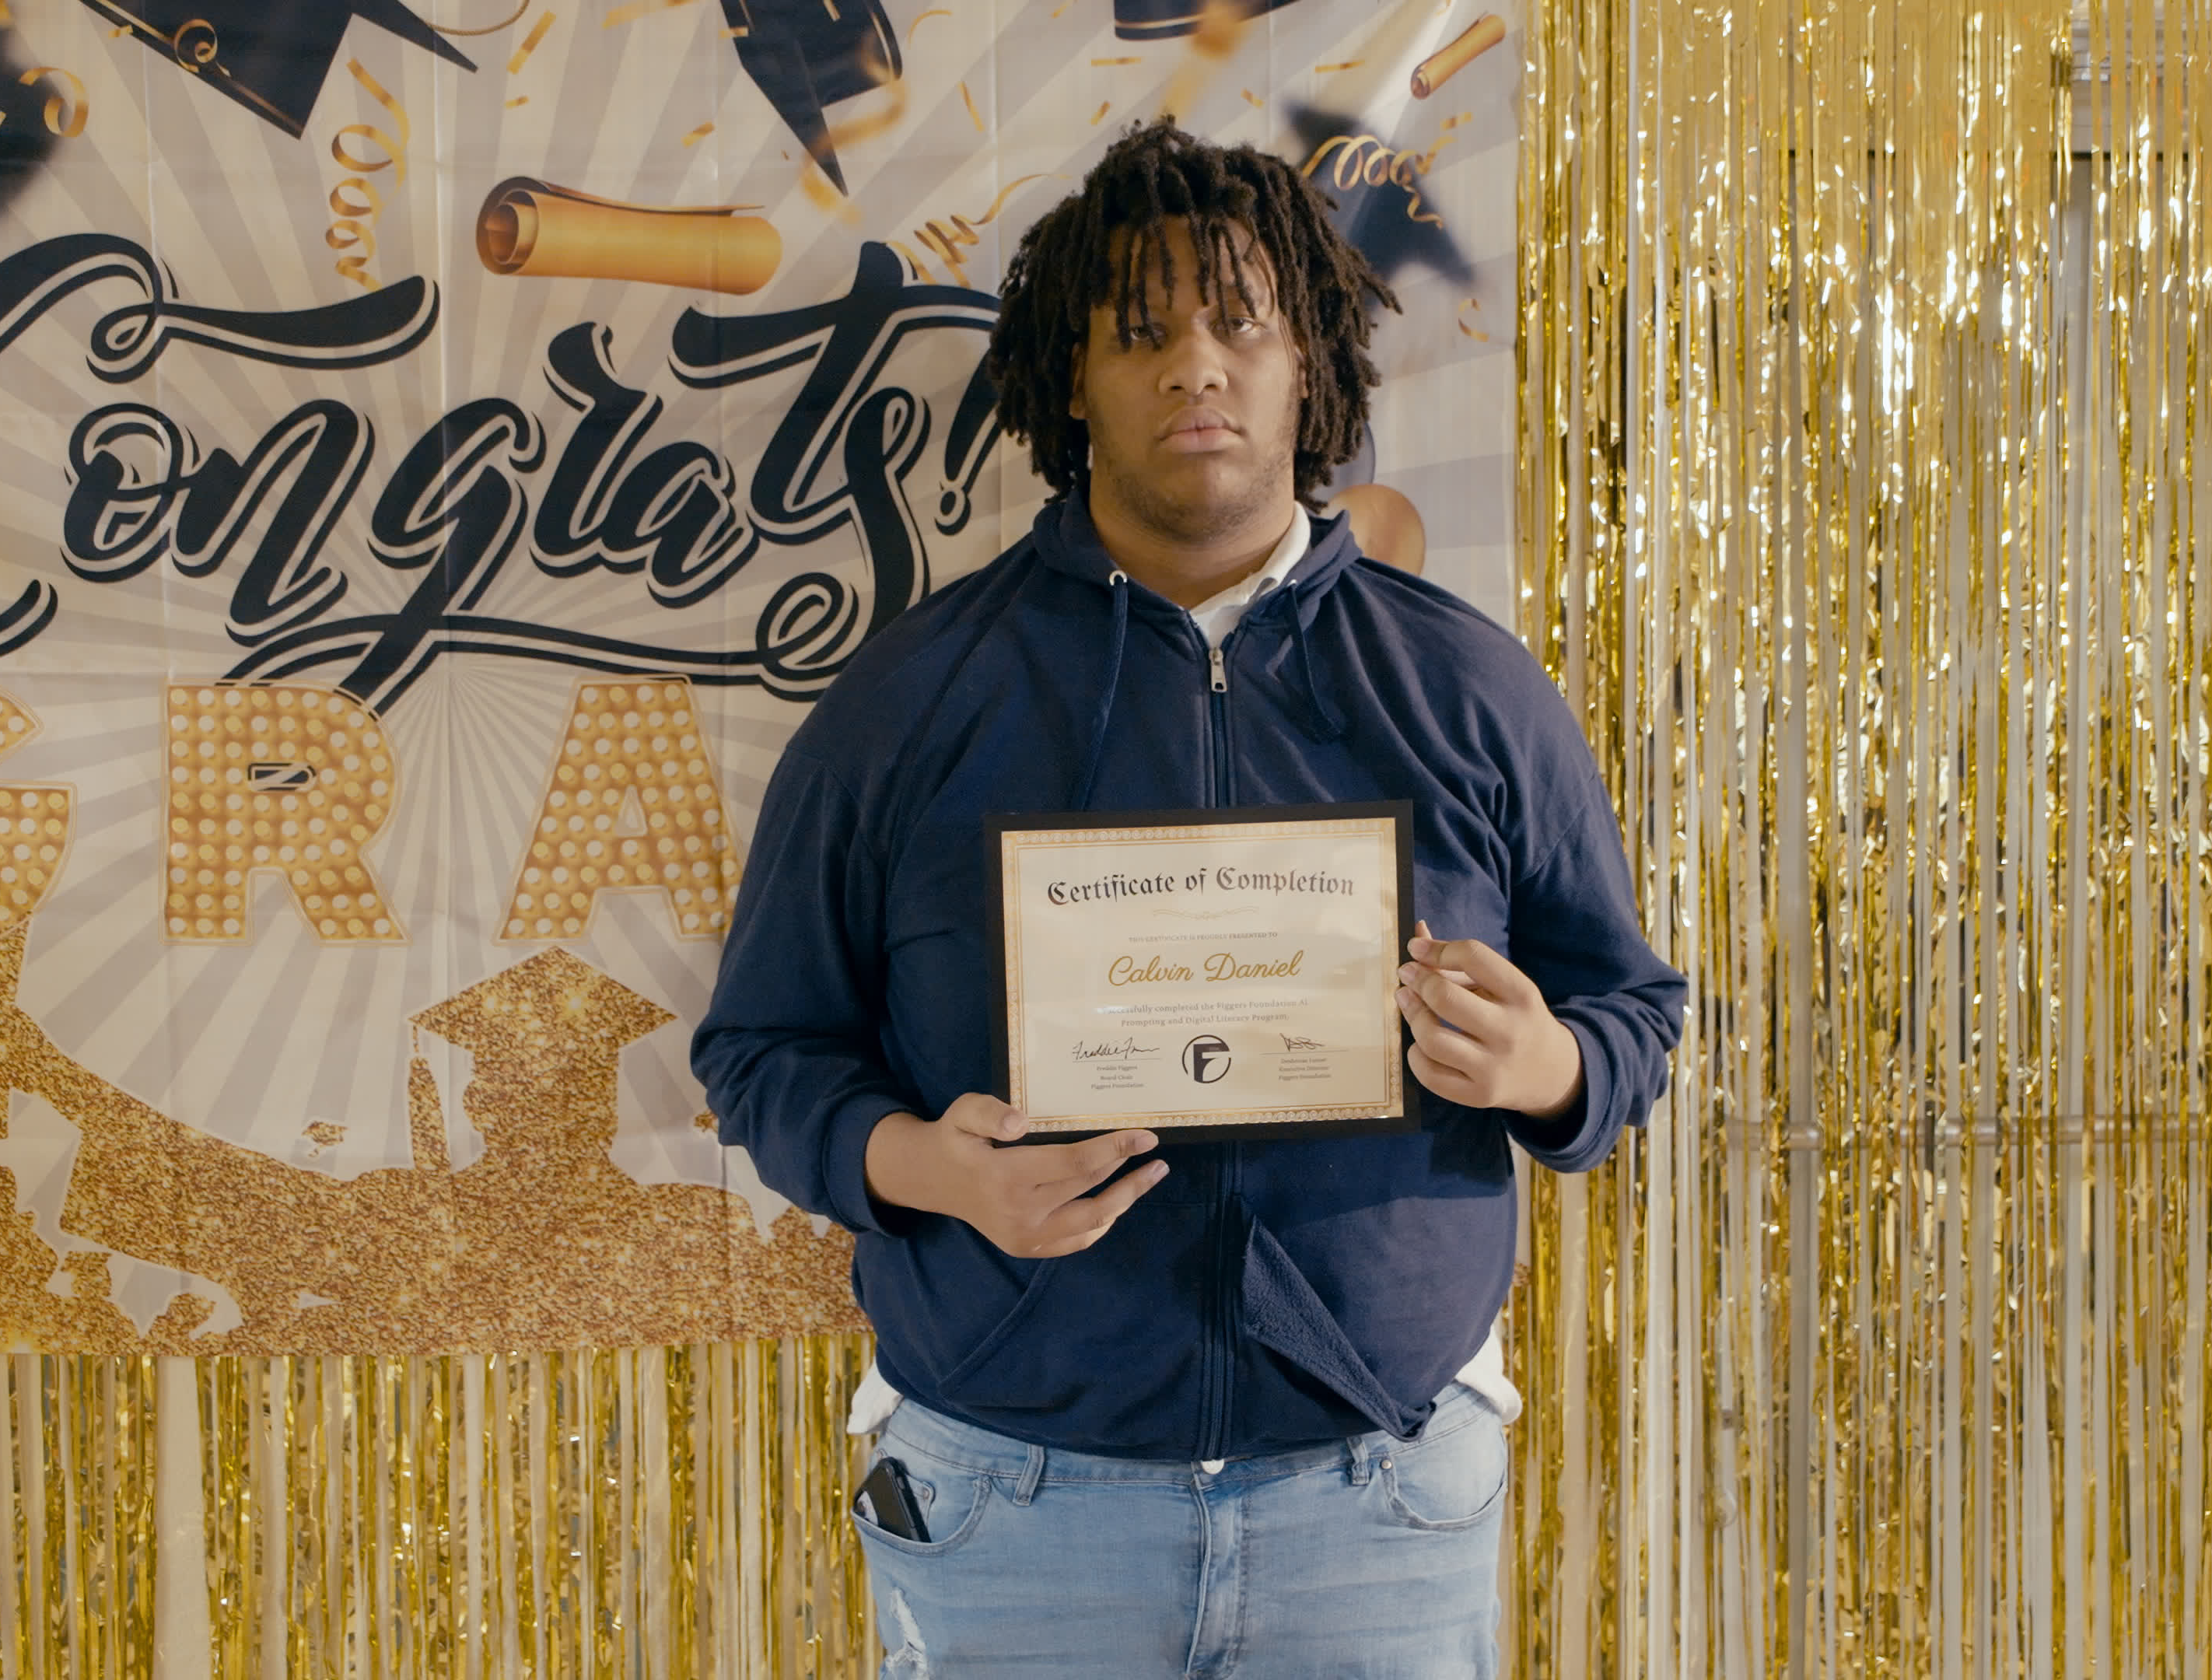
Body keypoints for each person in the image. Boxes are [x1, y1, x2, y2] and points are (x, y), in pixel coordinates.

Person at [691, 121, 1683, 1678]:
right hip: (1011, 1508)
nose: (1196, 368)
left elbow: (1631, 1013)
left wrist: (1548, 1064)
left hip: (1380, 1503)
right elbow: (763, 1051)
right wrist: (932, 1170)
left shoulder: (1468, 689)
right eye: (1141, 333)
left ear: (1311, 367)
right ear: (1072, 382)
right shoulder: (908, 702)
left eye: (1242, 325)